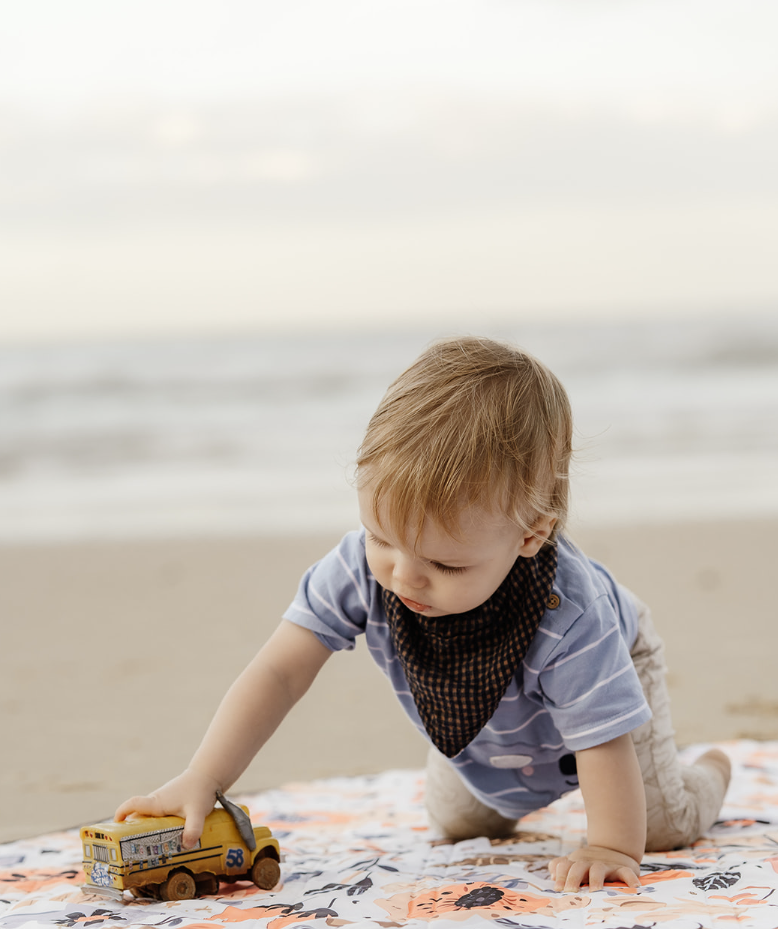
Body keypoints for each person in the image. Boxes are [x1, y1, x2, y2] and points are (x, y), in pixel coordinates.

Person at [115, 337, 731, 893]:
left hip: (606, 703)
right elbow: (280, 671)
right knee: (461, 822)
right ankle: (476, 743)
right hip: (479, 709)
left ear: (531, 535)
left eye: (446, 563)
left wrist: (608, 843)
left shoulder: (568, 611)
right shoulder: (362, 566)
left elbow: (600, 739)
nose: (403, 574)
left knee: (655, 827)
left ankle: (709, 773)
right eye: (380, 537)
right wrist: (205, 775)